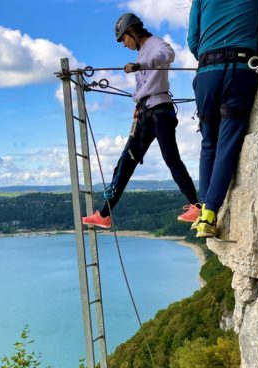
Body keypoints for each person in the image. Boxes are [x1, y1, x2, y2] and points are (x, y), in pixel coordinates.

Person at [82, 13, 200, 229]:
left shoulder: (154, 44)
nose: (124, 44)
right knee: (128, 163)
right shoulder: (143, 52)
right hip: (149, 112)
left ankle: (195, 206)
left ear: (132, 32)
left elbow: (169, 54)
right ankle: (105, 214)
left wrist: (139, 66)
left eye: (124, 39)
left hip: (157, 112)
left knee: (166, 159)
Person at [186, 0, 258, 238]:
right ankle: (209, 214)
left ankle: (204, 208)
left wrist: (209, 52)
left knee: (208, 144)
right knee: (227, 144)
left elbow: (193, 41)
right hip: (239, 69)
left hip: (207, 73)